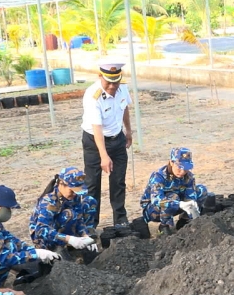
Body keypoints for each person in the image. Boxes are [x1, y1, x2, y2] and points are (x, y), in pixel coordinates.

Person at [0, 185, 61, 286]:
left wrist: (32, 250)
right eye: (8, 208)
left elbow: (9, 238)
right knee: (4, 258)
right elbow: (3, 258)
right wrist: (35, 255)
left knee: (11, 245)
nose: (9, 211)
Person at [82, 60, 133, 227]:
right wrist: (103, 156)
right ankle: (90, 223)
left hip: (117, 138)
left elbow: (125, 108)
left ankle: (120, 219)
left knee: (118, 181)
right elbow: (97, 128)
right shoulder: (92, 95)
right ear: (99, 77)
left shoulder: (122, 88)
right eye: (108, 82)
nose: (112, 86)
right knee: (92, 184)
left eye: (115, 82)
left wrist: (128, 130)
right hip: (94, 141)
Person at [29, 167, 98, 254]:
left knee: (89, 201)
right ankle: (62, 248)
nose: (74, 194)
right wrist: (69, 239)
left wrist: (85, 235)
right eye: (72, 191)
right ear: (61, 184)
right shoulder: (48, 202)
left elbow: (79, 216)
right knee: (69, 214)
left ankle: (81, 240)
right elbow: (41, 230)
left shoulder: (73, 196)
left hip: (63, 226)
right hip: (45, 240)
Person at [140, 147, 210, 233]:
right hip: (154, 210)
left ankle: (184, 221)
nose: (182, 171)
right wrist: (180, 204)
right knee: (173, 196)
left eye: (185, 168)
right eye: (179, 167)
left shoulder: (188, 177)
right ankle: (164, 226)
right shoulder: (158, 176)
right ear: (171, 162)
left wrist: (193, 207)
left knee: (201, 190)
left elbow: (190, 195)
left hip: (176, 203)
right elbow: (156, 200)